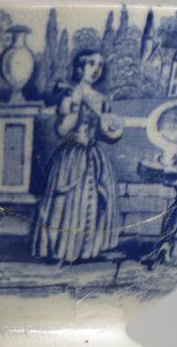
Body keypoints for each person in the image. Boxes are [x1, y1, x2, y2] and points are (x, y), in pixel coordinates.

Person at [32, 49, 123, 264]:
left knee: (97, 200)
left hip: (95, 156)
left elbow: (104, 135)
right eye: (91, 63)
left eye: (99, 65)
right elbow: (62, 130)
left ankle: (87, 251)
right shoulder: (70, 95)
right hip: (72, 156)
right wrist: (74, 106)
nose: (95, 69)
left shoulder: (102, 100)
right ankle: (62, 251)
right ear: (80, 68)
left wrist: (111, 129)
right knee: (66, 203)